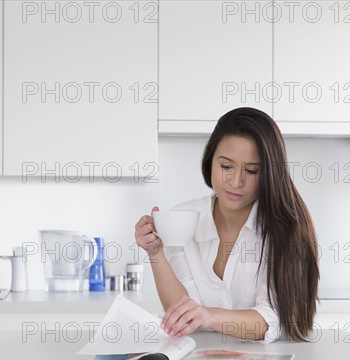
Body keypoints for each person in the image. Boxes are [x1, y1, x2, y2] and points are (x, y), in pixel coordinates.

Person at [134, 107, 319, 342]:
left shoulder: (285, 229)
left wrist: (209, 317)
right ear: (210, 162)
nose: (236, 181)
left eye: (252, 170)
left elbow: (270, 320)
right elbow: (181, 312)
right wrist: (155, 253)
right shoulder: (184, 217)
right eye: (226, 167)